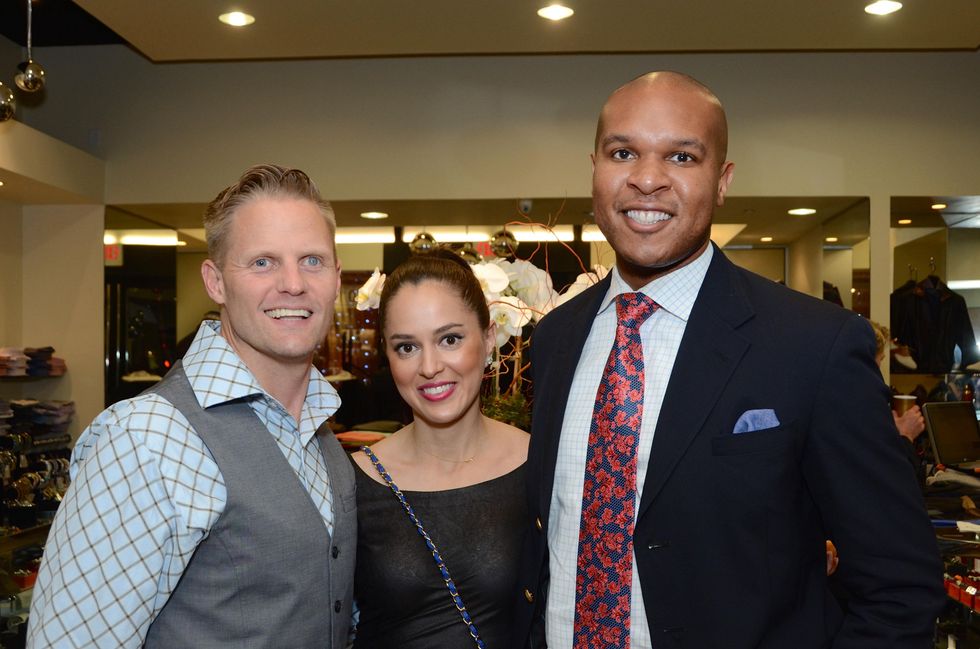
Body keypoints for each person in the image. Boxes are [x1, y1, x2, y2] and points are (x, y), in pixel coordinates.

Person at [514, 71, 944, 648]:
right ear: (595, 167)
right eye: (623, 153)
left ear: (722, 180)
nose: (647, 179)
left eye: (682, 157)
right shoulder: (556, 338)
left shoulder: (815, 344)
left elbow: (899, 588)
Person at [28, 164, 356, 648]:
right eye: (262, 262)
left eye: (312, 260)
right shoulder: (145, 438)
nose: (293, 283)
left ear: (335, 279)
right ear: (216, 281)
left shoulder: (321, 433)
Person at [351, 249, 528, 648]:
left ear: (486, 339)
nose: (429, 367)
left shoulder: (538, 464)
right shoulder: (355, 479)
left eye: (450, 339)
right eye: (407, 347)